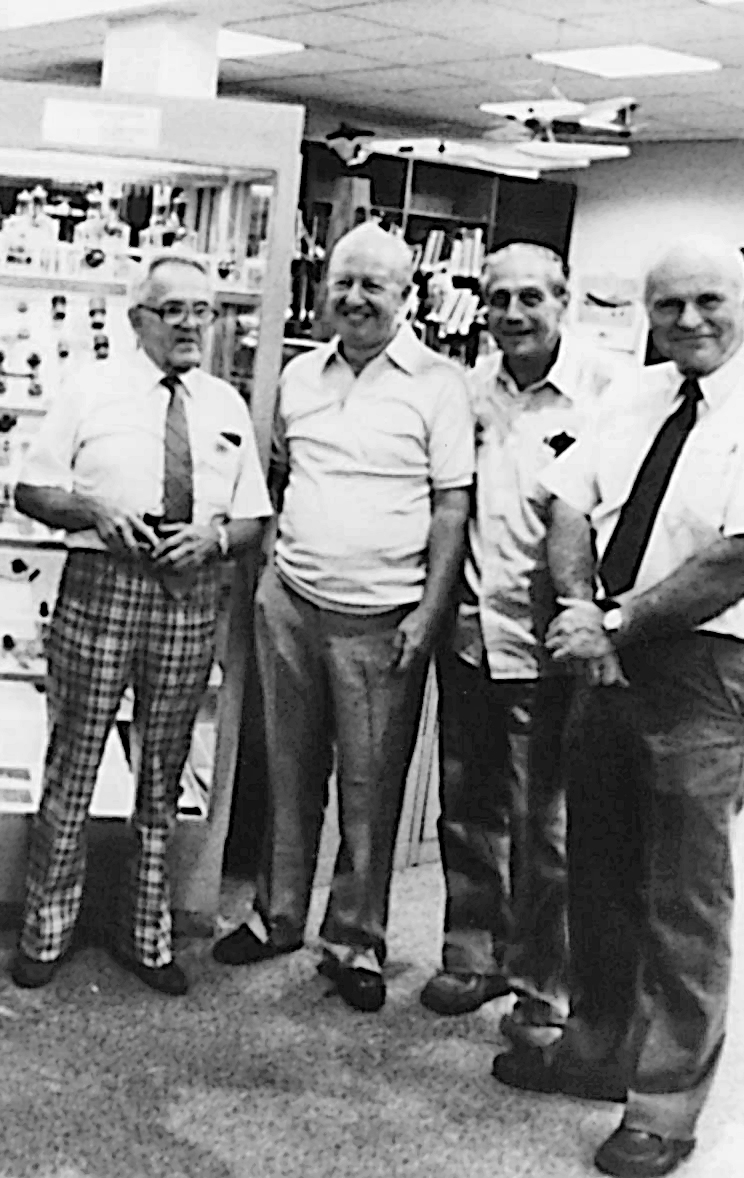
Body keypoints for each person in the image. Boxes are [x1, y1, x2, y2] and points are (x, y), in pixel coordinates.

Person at [491, 236, 744, 1178]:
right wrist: (584, 608)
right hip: (609, 663)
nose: (688, 322)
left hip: (707, 675)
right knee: (599, 872)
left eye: (708, 301)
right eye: (667, 306)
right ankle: (597, 1048)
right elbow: (567, 505)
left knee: (684, 900)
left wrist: (613, 623)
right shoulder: (636, 395)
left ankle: (665, 1106)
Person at [212, 223, 474, 1014]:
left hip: (382, 615)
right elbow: (285, 475)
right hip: (291, 599)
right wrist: (267, 584)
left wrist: (429, 612)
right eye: (343, 283)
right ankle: (278, 915)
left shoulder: (438, 384)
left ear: (407, 296)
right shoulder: (298, 375)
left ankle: (356, 940)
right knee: (286, 773)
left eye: (374, 287)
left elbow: (451, 506)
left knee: (369, 789)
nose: (355, 299)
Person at [9, 256, 271, 996]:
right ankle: (46, 930)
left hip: (191, 594)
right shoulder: (88, 390)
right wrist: (95, 511)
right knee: (76, 762)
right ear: (139, 320)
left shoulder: (223, 404)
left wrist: (214, 539)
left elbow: (254, 515)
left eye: (204, 311)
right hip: (103, 583)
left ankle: (146, 934)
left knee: (163, 773)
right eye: (175, 310)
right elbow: (31, 488)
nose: (192, 325)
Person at [420, 244, 625, 1036]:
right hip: (475, 632)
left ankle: (545, 982)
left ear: (563, 301)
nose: (511, 313)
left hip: (555, 640)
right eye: (497, 297)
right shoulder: (469, 391)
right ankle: (473, 956)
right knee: (468, 804)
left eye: (530, 298)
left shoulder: (607, 394)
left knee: (549, 823)